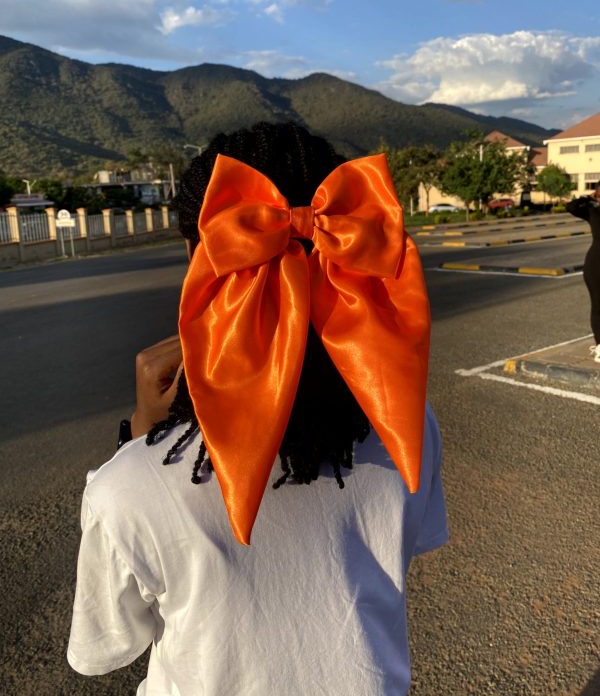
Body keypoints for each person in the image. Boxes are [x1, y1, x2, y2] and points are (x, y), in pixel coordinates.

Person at [68, 122, 448, 696]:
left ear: (200, 263)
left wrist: (140, 441)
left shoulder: (127, 487)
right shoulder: (409, 430)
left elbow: (106, 647)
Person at [566, 186, 600, 362]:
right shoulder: (592, 210)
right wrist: (587, 198)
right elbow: (570, 207)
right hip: (597, 264)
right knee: (598, 307)